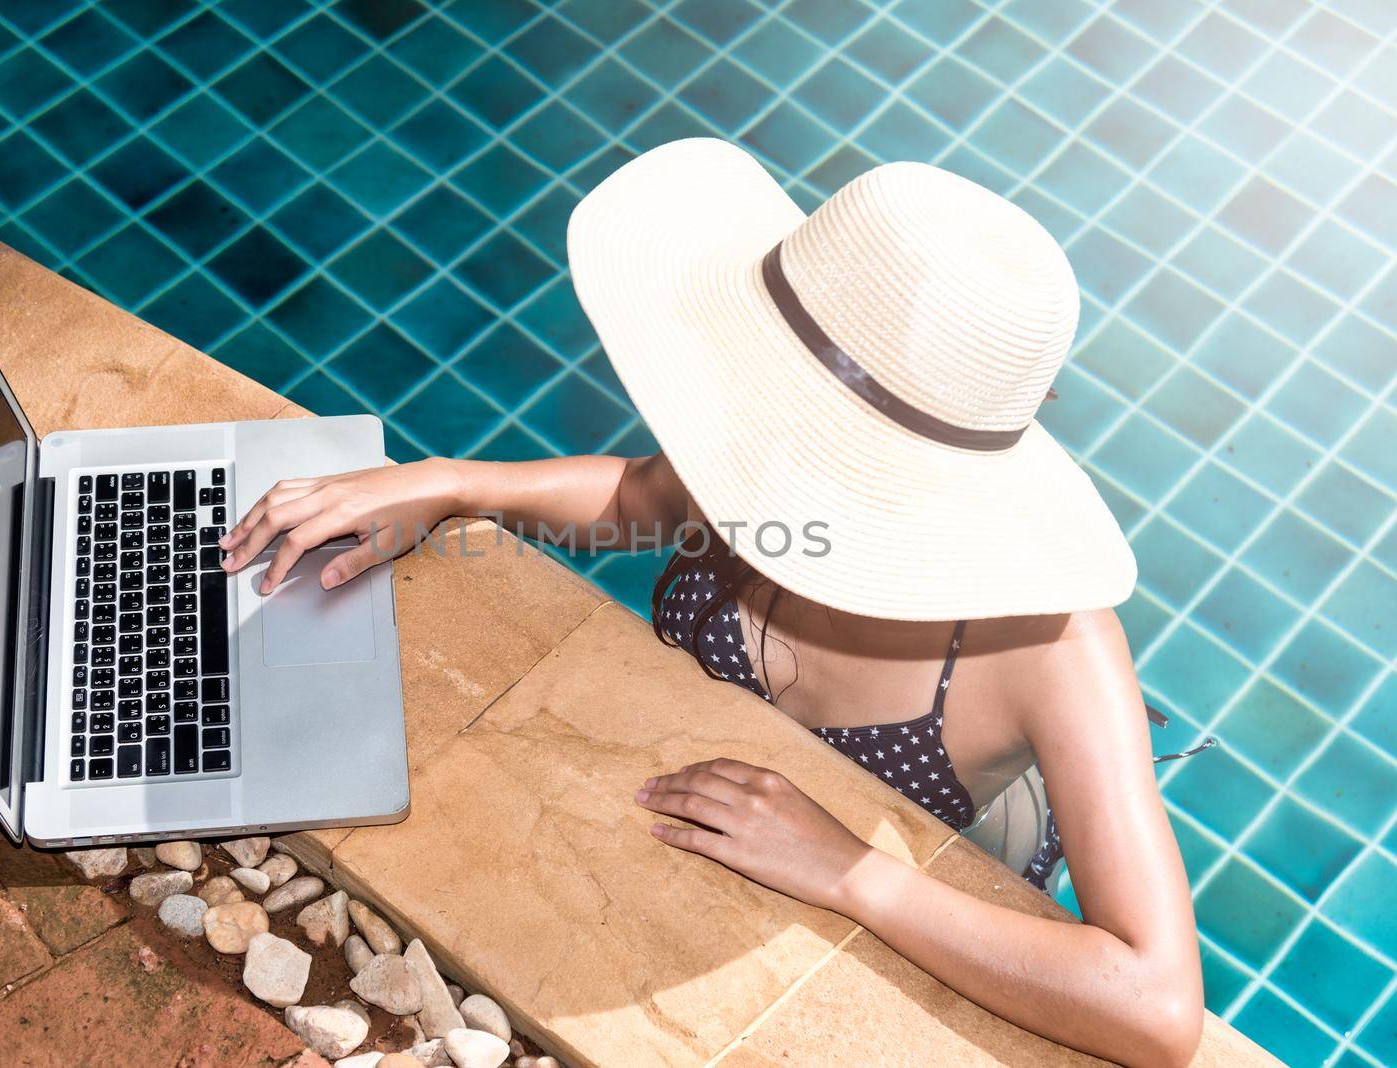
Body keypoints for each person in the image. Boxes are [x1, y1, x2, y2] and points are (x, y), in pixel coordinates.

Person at [220, 140, 1205, 1067]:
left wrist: (853, 875)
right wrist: (454, 485)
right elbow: (642, 499)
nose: (747, 439)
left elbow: (1156, 1008)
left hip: (941, 835)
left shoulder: (1053, 647)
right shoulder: (770, 450)